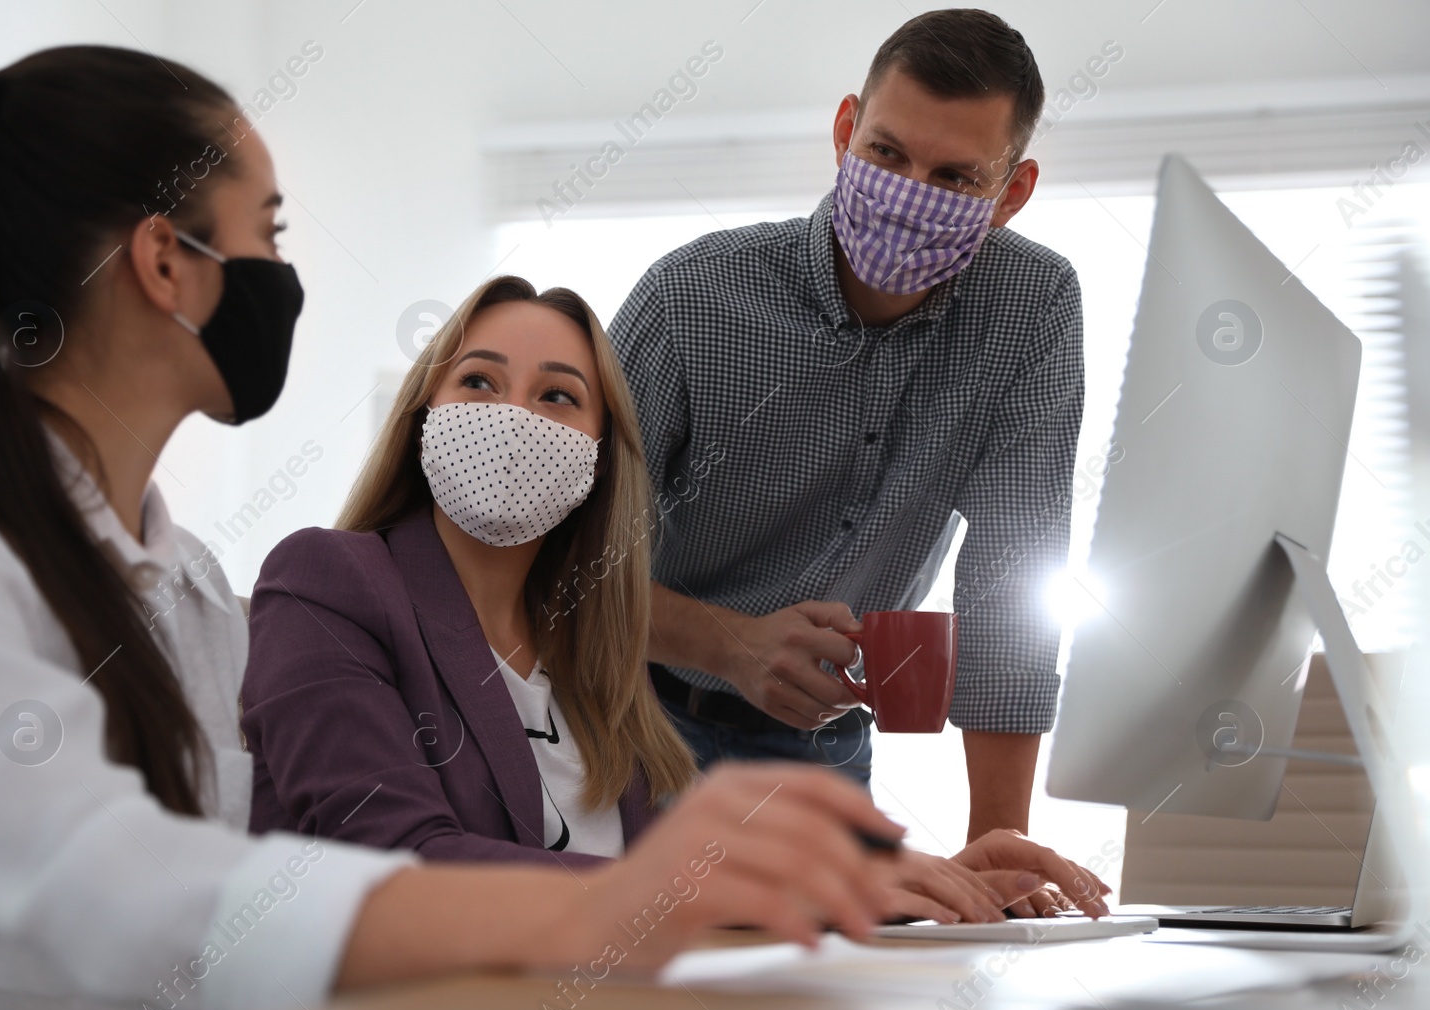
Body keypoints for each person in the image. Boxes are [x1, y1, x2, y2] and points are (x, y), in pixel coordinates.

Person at [0, 48, 924, 1010]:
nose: (281, 272)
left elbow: (254, 885)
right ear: (167, 259)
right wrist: (608, 904)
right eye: (266, 228)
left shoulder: (192, 585)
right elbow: (92, 882)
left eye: (559, 396)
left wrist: (821, 882)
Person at [241, 274, 1111, 924]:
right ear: (423, 413)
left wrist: (926, 877)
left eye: (557, 395)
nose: (514, 417)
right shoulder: (326, 582)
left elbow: (687, 884)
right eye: (478, 381)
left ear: (602, 457)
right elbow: (403, 866)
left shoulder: (593, 656)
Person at [609, 9, 1082, 855]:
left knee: (835, 984)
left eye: (955, 178)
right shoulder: (690, 299)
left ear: (1012, 193)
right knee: (648, 982)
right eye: (888, 154)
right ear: (843, 131)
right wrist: (731, 644)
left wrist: (998, 839)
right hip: (634, 725)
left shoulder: (1032, 308)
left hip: (824, 753)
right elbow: (561, 570)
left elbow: (1011, 580)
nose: (909, 195)